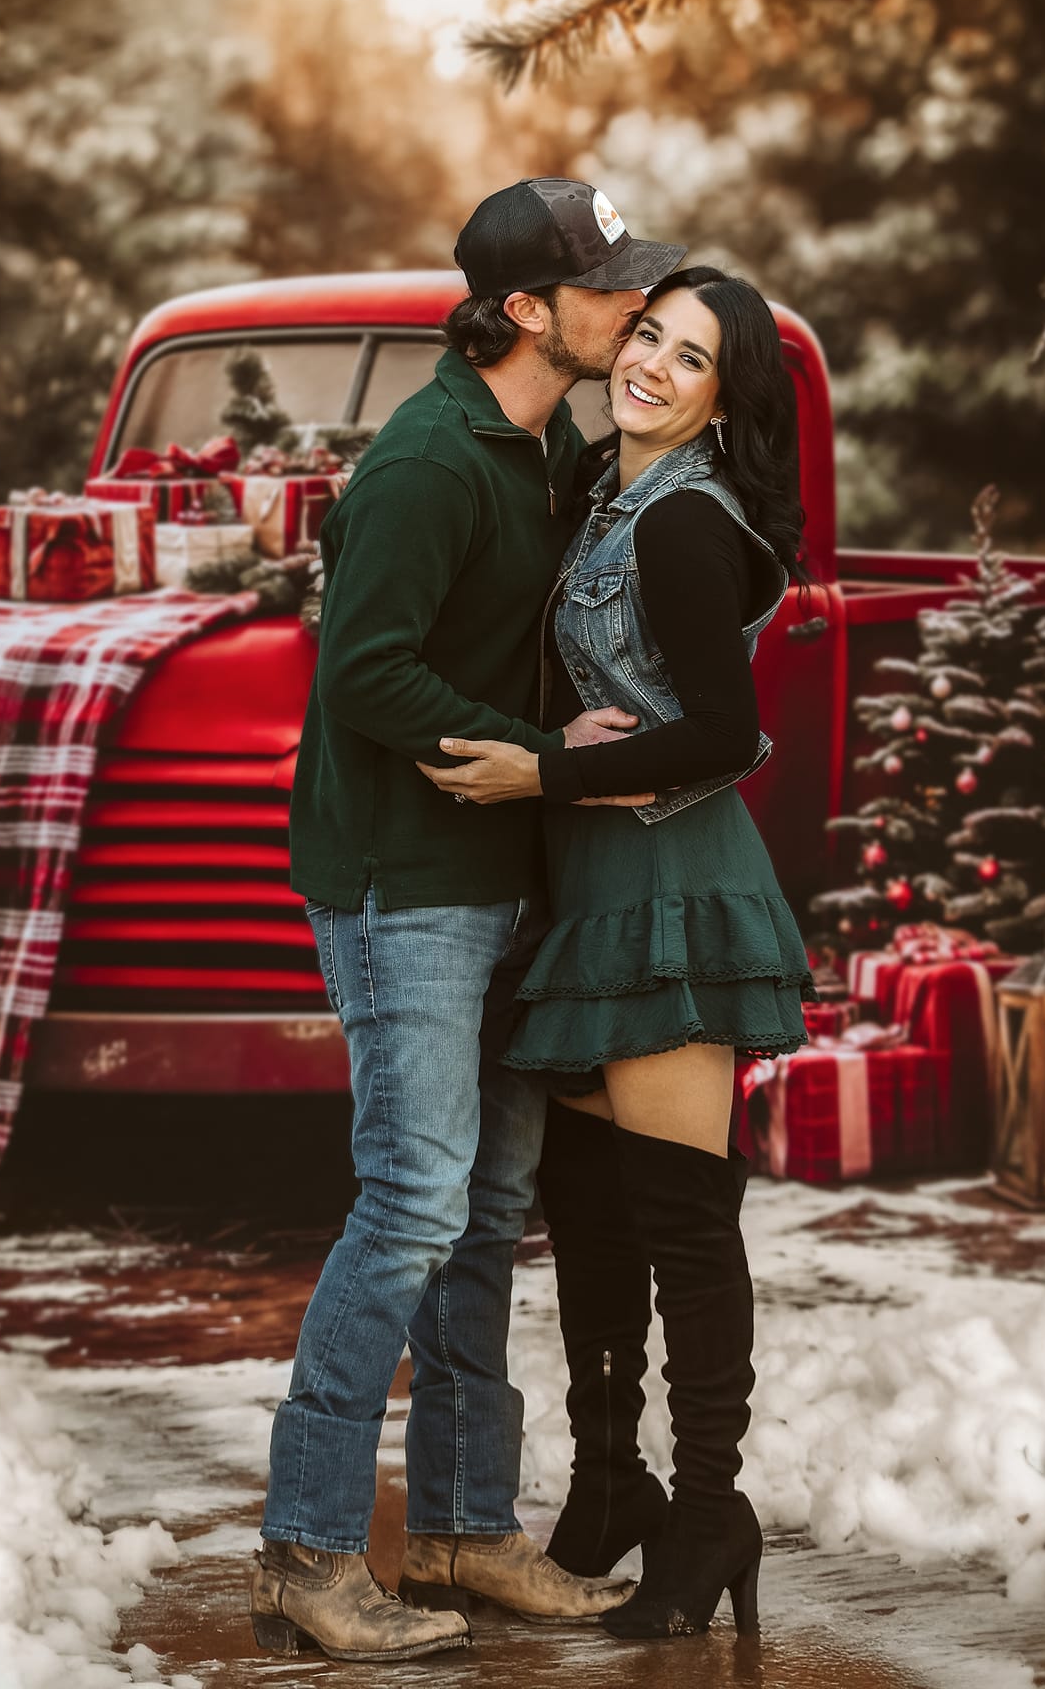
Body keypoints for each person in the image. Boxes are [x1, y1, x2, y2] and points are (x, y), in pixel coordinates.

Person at [247, 179, 686, 1662]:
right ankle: (309, 1554)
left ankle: (455, 1530)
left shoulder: (543, 441)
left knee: (490, 1211)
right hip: (405, 886)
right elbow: (363, 675)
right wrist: (548, 754)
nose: (631, 305)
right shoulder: (432, 463)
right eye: (604, 287)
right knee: (416, 1201)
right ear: (523, 311)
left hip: (494, 876)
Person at [418, 265, 815, 1643]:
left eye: (689, 358)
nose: (649, 363)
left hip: (671, 894)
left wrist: (536, 779)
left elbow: (722, 733)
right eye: (648, 335)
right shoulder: (601, 490)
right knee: (588, 1210)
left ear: (723, 397)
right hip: (592, 891)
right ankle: (609, 1483)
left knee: (682, 1225)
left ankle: (710, 1514)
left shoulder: (684, 524)